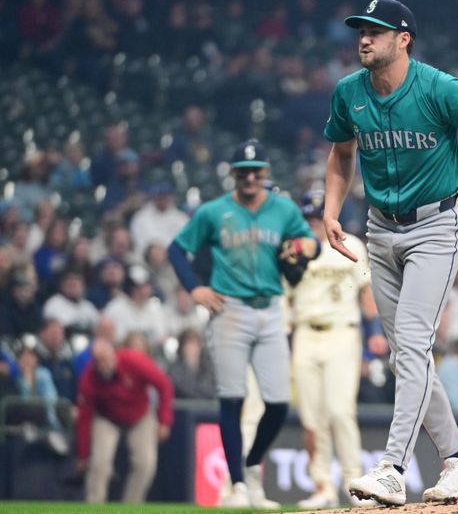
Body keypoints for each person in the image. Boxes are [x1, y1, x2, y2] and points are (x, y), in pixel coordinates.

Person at [323, 0, 458, 506]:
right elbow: (340, 153)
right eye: (361, 30)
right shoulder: (348, 93)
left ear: (403, 39)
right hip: (379, 230)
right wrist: (332, 211)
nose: (364, 38)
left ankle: (393, 468)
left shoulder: (440, 88)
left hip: (435, 229)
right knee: (406, 356)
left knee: (414, 349)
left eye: (375, 31)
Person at [167, 139, 319, 508]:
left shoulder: (282, 209)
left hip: (270, 309)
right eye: (243, 170)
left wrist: (302, 249)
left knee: (279, 403)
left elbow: (310, 241)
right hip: (229, 309)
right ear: (233, 174)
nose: (250, 176)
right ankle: (237, 485)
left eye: (256, 170)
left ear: (265, 172)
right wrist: (195, 289)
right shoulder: (214, 211)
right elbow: (177, 249)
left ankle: (251, 469)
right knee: (232, 399)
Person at [289, 189, 385, 509]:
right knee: (311, 418)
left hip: (343, 333)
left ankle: (353, 485)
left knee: (341, 412)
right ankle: (322, 486)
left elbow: (365, 292)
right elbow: (285, 296)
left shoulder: (351, 244)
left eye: (319, 215)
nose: (315, 221)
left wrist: (373, 334)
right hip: (305, 333)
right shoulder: (294, 249)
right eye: (310, 217)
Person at [75, 339, 174, 503]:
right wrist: (83, 455)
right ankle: (94, 506)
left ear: (113, 354)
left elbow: (164, 384)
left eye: (105, 359)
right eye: (98, 361)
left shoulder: (133, 361)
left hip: (140, 415)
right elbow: (84, 417)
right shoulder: (89, 378)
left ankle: (131, 507)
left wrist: (164, 421)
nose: (103, 364)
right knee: (99, 463)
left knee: (145, 463)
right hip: (107, 418)